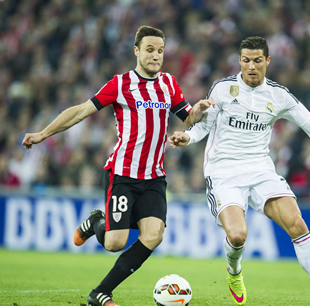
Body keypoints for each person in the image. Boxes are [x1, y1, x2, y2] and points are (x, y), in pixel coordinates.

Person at [22, 26, 214, 306]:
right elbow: (79, 112)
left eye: (160, 51)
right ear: (136, 51)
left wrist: (198, 111)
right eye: (150, 50)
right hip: (122, 175)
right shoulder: (121, 84)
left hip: (154, 177)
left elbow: (187, 118)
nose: (156, 56)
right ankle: (97, 222)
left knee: (153, 235)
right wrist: (42, 134)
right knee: (114, 243)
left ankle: (100, 293)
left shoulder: (169, 84)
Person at [169, 36, 310, 306]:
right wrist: (187, 137)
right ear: (239, 61)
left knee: (297, 224)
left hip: (261, 170)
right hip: (224, 172)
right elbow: (203, 126)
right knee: (237, 236)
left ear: (267, 61)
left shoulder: (279, 95)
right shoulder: (223, 89)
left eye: (257, 60)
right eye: (246, 60)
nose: (251, 66)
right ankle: (234, 271)